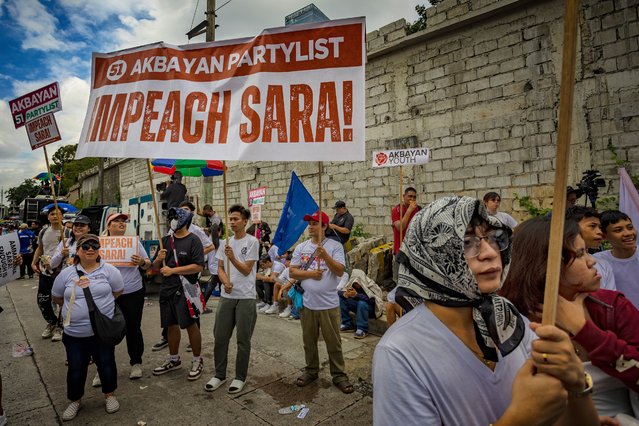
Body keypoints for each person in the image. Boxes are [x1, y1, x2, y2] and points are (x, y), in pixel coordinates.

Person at [373, 196, 597, 426]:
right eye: (467, 242)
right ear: (431, 257)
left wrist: (577, 385)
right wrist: (520, 419)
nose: (490, 252)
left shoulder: (508, 319)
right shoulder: (400, 353)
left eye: (493, 238)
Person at [500, 216, 639, 421]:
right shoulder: (509, 320)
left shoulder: (612, 306)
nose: (593, 261)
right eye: (581, 254)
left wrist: (585, 331)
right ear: (546, 265)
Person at [51, 234, 124, 421]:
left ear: (99, 249)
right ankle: (75, 400)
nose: (90, 249)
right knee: (76, 367)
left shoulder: (110, 271)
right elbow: (57, 297)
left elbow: (117, 291)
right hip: (74, 333)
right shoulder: (66, 273)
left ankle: (110, 395)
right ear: (78, 250)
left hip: (101, 332)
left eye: (94, 245)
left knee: (106, 364)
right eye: (85, 246)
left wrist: (101, 311)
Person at [290, 211, 354, 394]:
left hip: (329, 305)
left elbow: (340, 271)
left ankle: (339, 375)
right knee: (308, 341)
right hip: (308, 305)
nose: (310, 226)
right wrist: (310, 274)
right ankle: (311, 370)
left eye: (314, 223)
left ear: (324, 226)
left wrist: (325, 256)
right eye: (309, 223)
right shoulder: (301, 247)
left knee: (334, 342)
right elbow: (292, 272)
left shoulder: (334, 246)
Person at [206, 204, 259, 394]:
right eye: (231, 219)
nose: (232, 222)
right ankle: (219, 374)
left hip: (245, 297)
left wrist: (233, 257)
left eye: (236, 219)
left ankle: (240, 377)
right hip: (227, 296)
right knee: (220, 337)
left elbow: (246, 270)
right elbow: (219, 267)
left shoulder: (252, 242)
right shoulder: (225, 241)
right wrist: (225, 282)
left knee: (243, 340)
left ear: (245, 221)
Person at [151, 207, 205, 381]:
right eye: (171, 217)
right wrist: (158, 259)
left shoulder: (194, 240)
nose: (172, 220)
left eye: (175, 217)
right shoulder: (165, 241)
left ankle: (197, 359)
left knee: (190, 325)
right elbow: (153, 269)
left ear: (184, 221)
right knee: (170, 325)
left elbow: (198, 266)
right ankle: (173, 359)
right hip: (167, 289)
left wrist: (174, 271)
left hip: (185, 290)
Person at [104, 213, 151, 380]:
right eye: (116, 221)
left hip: (132, 291)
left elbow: (148, 263)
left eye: (123, 221)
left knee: (133, 327)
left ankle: (136, 362)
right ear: (108, 226)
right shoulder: (99, 244)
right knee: (105, 330)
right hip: (106, 294)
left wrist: (142, 262)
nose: (121, 223)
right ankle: (103, 366)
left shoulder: (134, 243)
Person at [31, 207, 64, 342]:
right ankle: (52, 322)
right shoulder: (43, 231)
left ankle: (60, 327)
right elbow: (40, 248)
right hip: (45, 272)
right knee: (43, 300)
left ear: (62, 216)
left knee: (62, 301)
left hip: (62, 272)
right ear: (48, 217)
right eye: (52, 214)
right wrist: (33, 263)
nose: (55, 216)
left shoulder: (67, 231)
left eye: (58, 214)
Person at [594, 210, 639, 309]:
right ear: (604, 236)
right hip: (621, 319)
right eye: (618, 230)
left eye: (630, 227)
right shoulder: (597, 262)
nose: (628, 233)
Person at [566, 206, 616, 290]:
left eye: (599, 227)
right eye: (592, 226)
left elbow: (610, 299)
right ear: (572, 227)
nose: (599, 232)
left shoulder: (603, 265)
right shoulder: (561, 263)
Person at [339, 270, 382, 339]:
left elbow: (373, 300)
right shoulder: (351, 284)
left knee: (362, 303)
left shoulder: (370, 284)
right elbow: (340, 292)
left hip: (371, 309)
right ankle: (347, 324)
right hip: (359, 307)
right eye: (355, 283)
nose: (356, 285)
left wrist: (357, 295)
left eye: (357, 283)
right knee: (341, 298)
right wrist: (345, 294)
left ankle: (362, 329)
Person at [391, 187, 421, 255]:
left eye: (414, 197)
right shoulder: (396, 210)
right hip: (400, 248)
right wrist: (409, 210)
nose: (412, 199)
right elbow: (400, 228)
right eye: (410, 196)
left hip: (413, 249)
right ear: (404, 196)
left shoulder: (418, 209)